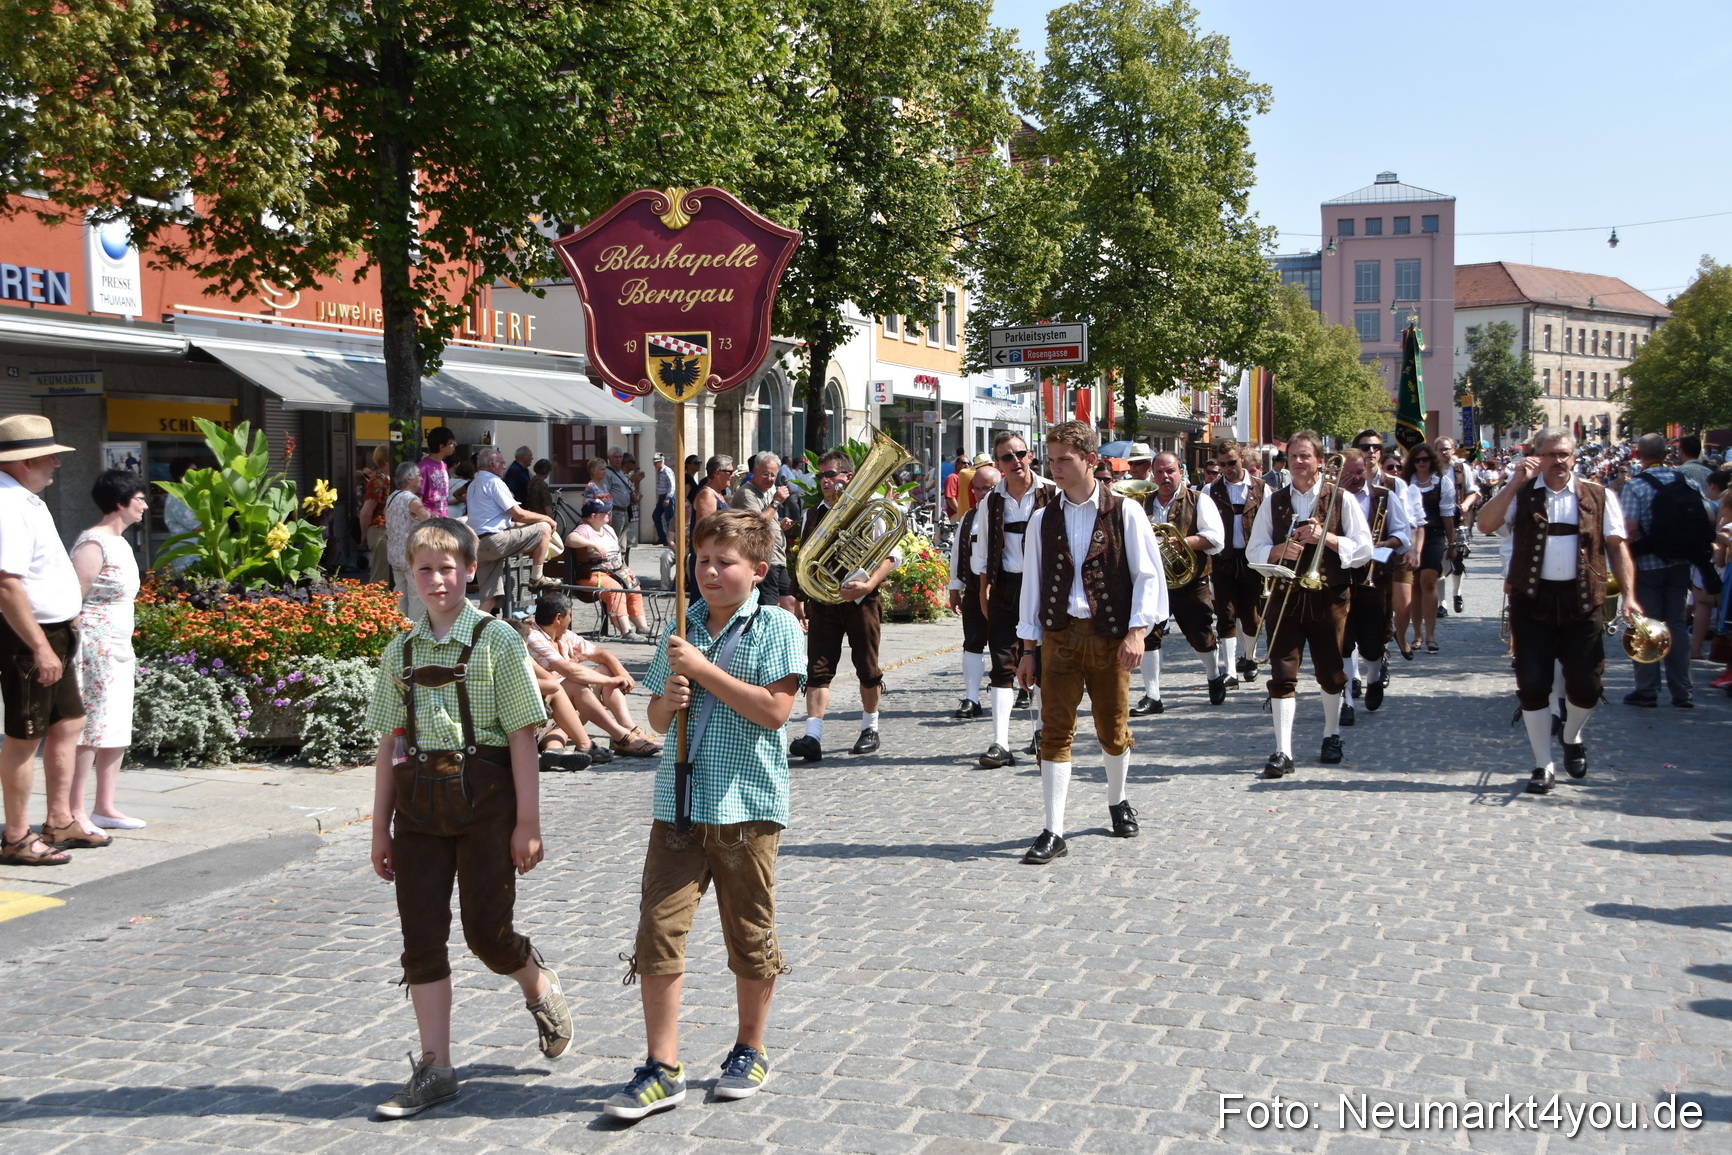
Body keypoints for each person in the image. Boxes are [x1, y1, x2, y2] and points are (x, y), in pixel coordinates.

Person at [365, 519, 570, 1119]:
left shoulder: (499, 641)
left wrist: (527, 822)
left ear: (470, 570)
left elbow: (524, 737)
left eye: (449, 567)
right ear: (411, 574)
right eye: (425, 569)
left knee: (487, 934)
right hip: (418, 810)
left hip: (487, 805)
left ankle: (535, 979)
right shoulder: (398, 650)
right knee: (420, 940)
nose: (437, 579)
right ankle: (437, 1067)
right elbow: (389, 744)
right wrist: (380, 829)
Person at [606, 508, 805, 1119]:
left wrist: (705, 673)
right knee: (658, 931)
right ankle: (661, 1065)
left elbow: (775, 711)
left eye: (725, 562)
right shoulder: (682, 626)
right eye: (702, 561)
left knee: (748, 932)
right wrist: (669, 697)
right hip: (679, 805)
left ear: (757, 570)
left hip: (746, 805)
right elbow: (660, 725)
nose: (711, 573)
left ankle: (750, 1046)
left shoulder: (777, 626)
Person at [1014, 421, 1166, 865]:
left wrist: (1138, 631)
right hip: (1059, 638)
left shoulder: (1126, 512)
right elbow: (1032, 588)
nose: (1055, 468)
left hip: (1110, 638)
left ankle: (1117, 801)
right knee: (1054, 732)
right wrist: (1027, 649)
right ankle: (1053, 829)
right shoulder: (1043, 518)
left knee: (1112, 730)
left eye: (1065, 459)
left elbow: (1148, 575)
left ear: (1090, 461)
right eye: (1052, 459)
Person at [1476, 431, 1638, 793]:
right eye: (1550, 455)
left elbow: (1617, 546)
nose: (1558, 461)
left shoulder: (1599, 494)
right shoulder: (1522, 492)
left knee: (1588, 686)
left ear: (1575, 457)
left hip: (1583, 601)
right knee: (1533, 684)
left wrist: (1629, 596)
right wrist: (1514, 480)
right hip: (1532, 602)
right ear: (1537, 457)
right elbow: (1485, 525)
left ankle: (1571, 733)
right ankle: (1542, 763)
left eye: (1564, 454)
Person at [1247, 430, 1373, 778]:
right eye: (1293, 456)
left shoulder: (1341, 499)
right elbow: (1252, 551)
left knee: (1331, 673)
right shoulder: (1274, 502)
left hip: (1328, 596)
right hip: (1286, 597)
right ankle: (1283, 750)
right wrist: (1277, 551)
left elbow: (1364, 549)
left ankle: (1331, 735)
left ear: (1320, 460)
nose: (1299, 462)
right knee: (1282, 673)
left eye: (1306, 456)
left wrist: (1326, 538)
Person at [0, 415, 86, 866]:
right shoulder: (7, 504)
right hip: (30, 634)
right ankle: (16, 836)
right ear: (25, 460)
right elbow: (6, 584)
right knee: (23, 734)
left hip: (53, 630)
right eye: (50, 455)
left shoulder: (24, 500)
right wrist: (38, 645)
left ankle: (59, 819)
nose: (56, 463)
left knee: (67, 721)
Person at [788, 449, 898, 761]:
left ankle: (870, 728)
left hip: (860, 600)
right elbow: (803, 562)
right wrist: (799, 600)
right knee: (818, 670)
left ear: (847, 477)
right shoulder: (813, 513)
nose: (824, 480)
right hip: (823, 602)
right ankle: (813, 735)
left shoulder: (867, 509)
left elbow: (892, 556)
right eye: (821, 475)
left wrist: (868, 584)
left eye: (830, 474)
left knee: (867, 667)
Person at [68, 469, 150, 835]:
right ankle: (74, 809)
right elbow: (73, 597)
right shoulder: (93, 542)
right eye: (139, 498)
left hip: (118, 641)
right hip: (95, 643)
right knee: (91, 725)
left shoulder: (121, 542)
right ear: (120, 502)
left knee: (115, 721)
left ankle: (105, 806)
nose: (145, 505)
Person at [973, 432, 1053, 767]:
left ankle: (1044, 732)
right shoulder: (990, 500)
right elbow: (982, 550)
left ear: (1031, 455)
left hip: (1047, 586)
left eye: (1020, 453)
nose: (1015, 460)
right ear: (999, 464)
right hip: (1006, 587)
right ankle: (1000, 743)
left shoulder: (1053, 492)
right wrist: (983, 587)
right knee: (1002, 663)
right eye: (1007, 457)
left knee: (1046, 662)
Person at [1621, 432, 1707, 709]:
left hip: (1646, 565)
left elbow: (1630, 529)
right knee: (1678, 626)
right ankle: (1682, 691)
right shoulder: (1688, 482)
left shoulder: (1636, 486)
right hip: (1681, 563)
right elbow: (1707, 519)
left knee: (1647, 626)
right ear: (1666, 453)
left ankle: (1647, 690)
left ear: (1638, 454)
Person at [1135, 451, 1226, 713]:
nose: (1165, 477)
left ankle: (1213, 675)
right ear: (1153, 474)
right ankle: (1152, 696)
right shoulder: (1142, 503)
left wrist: (1182, 542)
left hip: (1190, 579)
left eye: (1170, 471)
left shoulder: (1199, 501)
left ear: (1181, 472)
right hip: (1153, 581)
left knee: (1200, 636)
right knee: (1148, 636)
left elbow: (1216, 539)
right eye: (1160, 472)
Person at [523, 592, 660, 759]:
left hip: (567, 706)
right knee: (576, 685)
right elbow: (569, 671)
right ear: (559, 618)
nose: (571, 620)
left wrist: (622, 674)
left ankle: (627, 726)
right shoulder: (533, 637)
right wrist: (612, 680)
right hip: (546, 706)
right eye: (570, 615)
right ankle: (619, 736)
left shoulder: (562, 634)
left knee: (605, 669)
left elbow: (603, 654)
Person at [1336, 449, 1411, 721]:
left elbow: (1403, 534)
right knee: (1342, 640)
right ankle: (1346, 701)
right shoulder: (1330, 497)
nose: (1356, 478)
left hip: (1374, 577)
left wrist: (1384, 544)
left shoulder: (1384, 497)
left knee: (1371, 640)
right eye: (1350, 474)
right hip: (1340, 577)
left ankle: (1374, 676)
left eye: (1360, 473)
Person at [1201, 438, 1268, 690]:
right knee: (1226, 615)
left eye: (1232, 462)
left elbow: (1269, 525)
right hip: (1223, 560)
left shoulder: (1262, 489)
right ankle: (1230, 670)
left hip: (1251, 559)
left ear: (1241, 458)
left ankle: (1249, 658)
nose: (1228, 468)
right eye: (1223, 465)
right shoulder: (1210, 491)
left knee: (1251, 616)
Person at [1352, 430, 1420, 664]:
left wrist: (1409, 549)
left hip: (1390, 551)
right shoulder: (1346, 481)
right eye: (1365, 447)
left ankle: (1395, 638)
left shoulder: (1395, 484)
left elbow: (1407, 521)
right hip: (1357, 556)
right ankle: (1365, 664)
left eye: (1376, 447)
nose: (1371, 451)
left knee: (1399, 606)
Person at [467, 446, 558, 614]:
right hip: (495, 541)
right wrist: (547, 518)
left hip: (478, 545)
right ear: (492, 464)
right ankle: (537, 577)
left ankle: (473, 633)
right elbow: (519, 514)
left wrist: (520, 525)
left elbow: (495, 520)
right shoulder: (494, 482)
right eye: (502, 463)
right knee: (544, 528)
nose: (504, 466)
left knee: (490, 597)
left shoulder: (474, 483)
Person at [947, 466, 999, 719]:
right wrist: (954, 589)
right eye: (976, 488)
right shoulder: (969, 517)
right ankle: (972, 698)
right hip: (973, 588)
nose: (979, 493)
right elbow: (958, 553)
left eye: (985, 488)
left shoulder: (1006, 515)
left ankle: (1022, 690)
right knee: (973, 642)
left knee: (1012, 644)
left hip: (1004, 587)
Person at [568, 499, 653, 641]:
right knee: (615, 590)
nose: (609, 513)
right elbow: (570, 539)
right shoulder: (584, 529)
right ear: (593, 516)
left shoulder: (608, 529)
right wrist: (591, 543)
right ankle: (626, 631)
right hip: (593, 573)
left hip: (616, 571)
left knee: (633, 585)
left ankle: (642, 627)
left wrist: (626, 571)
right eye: (604, 512)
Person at [731, 452, 797, 612]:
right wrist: (776, 502)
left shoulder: (765, 492)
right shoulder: (747, 493)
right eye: (765, 474)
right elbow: (755, 523)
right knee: (770, 608)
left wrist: (780, 524)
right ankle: (770, 636)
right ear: (755, 470)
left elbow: (766, 518)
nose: (769, 479)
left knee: (790, 601)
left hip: (778, 558)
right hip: (764, 558)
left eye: (773, 475)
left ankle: (787, 634)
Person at [1401, 442, 1447, 655]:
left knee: (1428, 580)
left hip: (1435, 534)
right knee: (1415, 585)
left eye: (1425, 459)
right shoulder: (1404, 483)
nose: (1421, 463)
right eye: (1417, 460)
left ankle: (1431, 635)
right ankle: (1417, 634)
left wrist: (1454, 542)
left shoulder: (1441, 482)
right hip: (1411, 535)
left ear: (1431, 461)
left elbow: (1447, 514)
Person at [1434, 437, 1481, 616]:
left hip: (1457, 519)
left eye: (1446, 449)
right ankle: (1441, 603)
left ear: (1453, 450)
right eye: (1440, 449)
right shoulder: (1432, 470)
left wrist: (1466, 505)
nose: (1443, 452)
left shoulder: (1461, 468)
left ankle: (1457, 593)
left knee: (1457, 560)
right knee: (1438, 561)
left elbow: (1473, 491)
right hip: (1437, 519)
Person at [386, 461, 431, 621]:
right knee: (416, 597)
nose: (421, 478)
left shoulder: (392, 497)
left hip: (395, 553)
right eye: (418, 475)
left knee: (400, 595)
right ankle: (414, 632)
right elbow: (426, 517)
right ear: (409, 478)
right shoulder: (412, 500)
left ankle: (399, 630)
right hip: (411, 555)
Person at [359, 444, 394, 585]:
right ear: (386, 460)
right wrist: (364, 532)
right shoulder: (378, 479)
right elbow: (366, 510)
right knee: (381, 575)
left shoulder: (387, 478)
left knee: (387, 573)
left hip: (386, 529)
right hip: (379, 528)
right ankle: (375, 603)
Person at [606, 445, 640, 550]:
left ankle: (622, 566)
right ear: (609, 458)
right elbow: (605, 493)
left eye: (620, 457)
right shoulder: (607, 473)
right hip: (615, 511)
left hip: (625, 512)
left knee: (623, 546)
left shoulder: (620, 472)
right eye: (615, 457)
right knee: (614, 543)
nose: (618, 459)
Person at [419, 427, 458, 518]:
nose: (454, 445)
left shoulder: (443, 465)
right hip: (429, 521)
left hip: (443, 518)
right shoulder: (423, 467)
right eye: (452, 443)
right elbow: (418, 498)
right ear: (442, 447)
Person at [652, 452, 676, 545]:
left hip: (667, 496)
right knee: (656, 515)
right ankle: (662, 537)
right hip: (662, 497)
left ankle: (671, 539)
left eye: (656, 462)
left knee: (669, 519)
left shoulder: (667, 470)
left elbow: (672, 485)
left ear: (661, 461)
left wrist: (668, 497)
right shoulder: (660, 471)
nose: (654, 464)